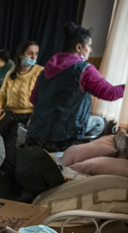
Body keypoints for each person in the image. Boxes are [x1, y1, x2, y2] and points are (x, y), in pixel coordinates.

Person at [28, 23, 125, 151]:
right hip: (63, 137)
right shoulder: (84, 70)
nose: (90, 50)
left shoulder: (45, 70)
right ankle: (75, 150)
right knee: (100, 123)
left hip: (35, 134)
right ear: (79, 47)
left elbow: (32, 99)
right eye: (89, 46)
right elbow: (111, 93)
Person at [0, 41, 43, 125]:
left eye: (36, 54)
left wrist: (34, 117)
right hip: (10, 115)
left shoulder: (41, 72)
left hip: (30, 117)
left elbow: (43, 98)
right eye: (30, 53)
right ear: (21, 55)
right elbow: (2, 95)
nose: (33, 57)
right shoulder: (10, 73)